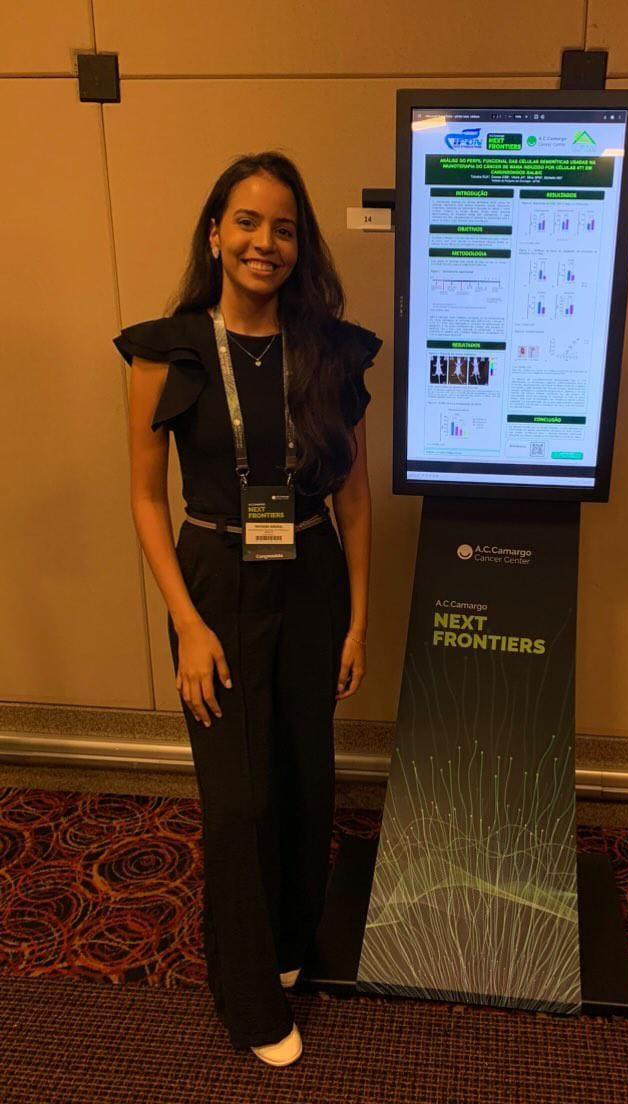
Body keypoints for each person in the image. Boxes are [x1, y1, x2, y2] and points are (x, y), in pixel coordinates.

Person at [113, 151, 382, 1066]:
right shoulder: (167, 350)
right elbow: (147, 498)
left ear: (298, 245)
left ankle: (287, 948)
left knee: (304, 774)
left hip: (310, 570)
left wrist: (356, 619)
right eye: (247, 221)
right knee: (237, 797)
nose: (264, 241)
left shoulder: (331, 350)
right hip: (215, 581)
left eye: (284, 227)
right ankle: (246, 998)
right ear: (215, 233)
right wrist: (189, 624)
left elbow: (354, 495)